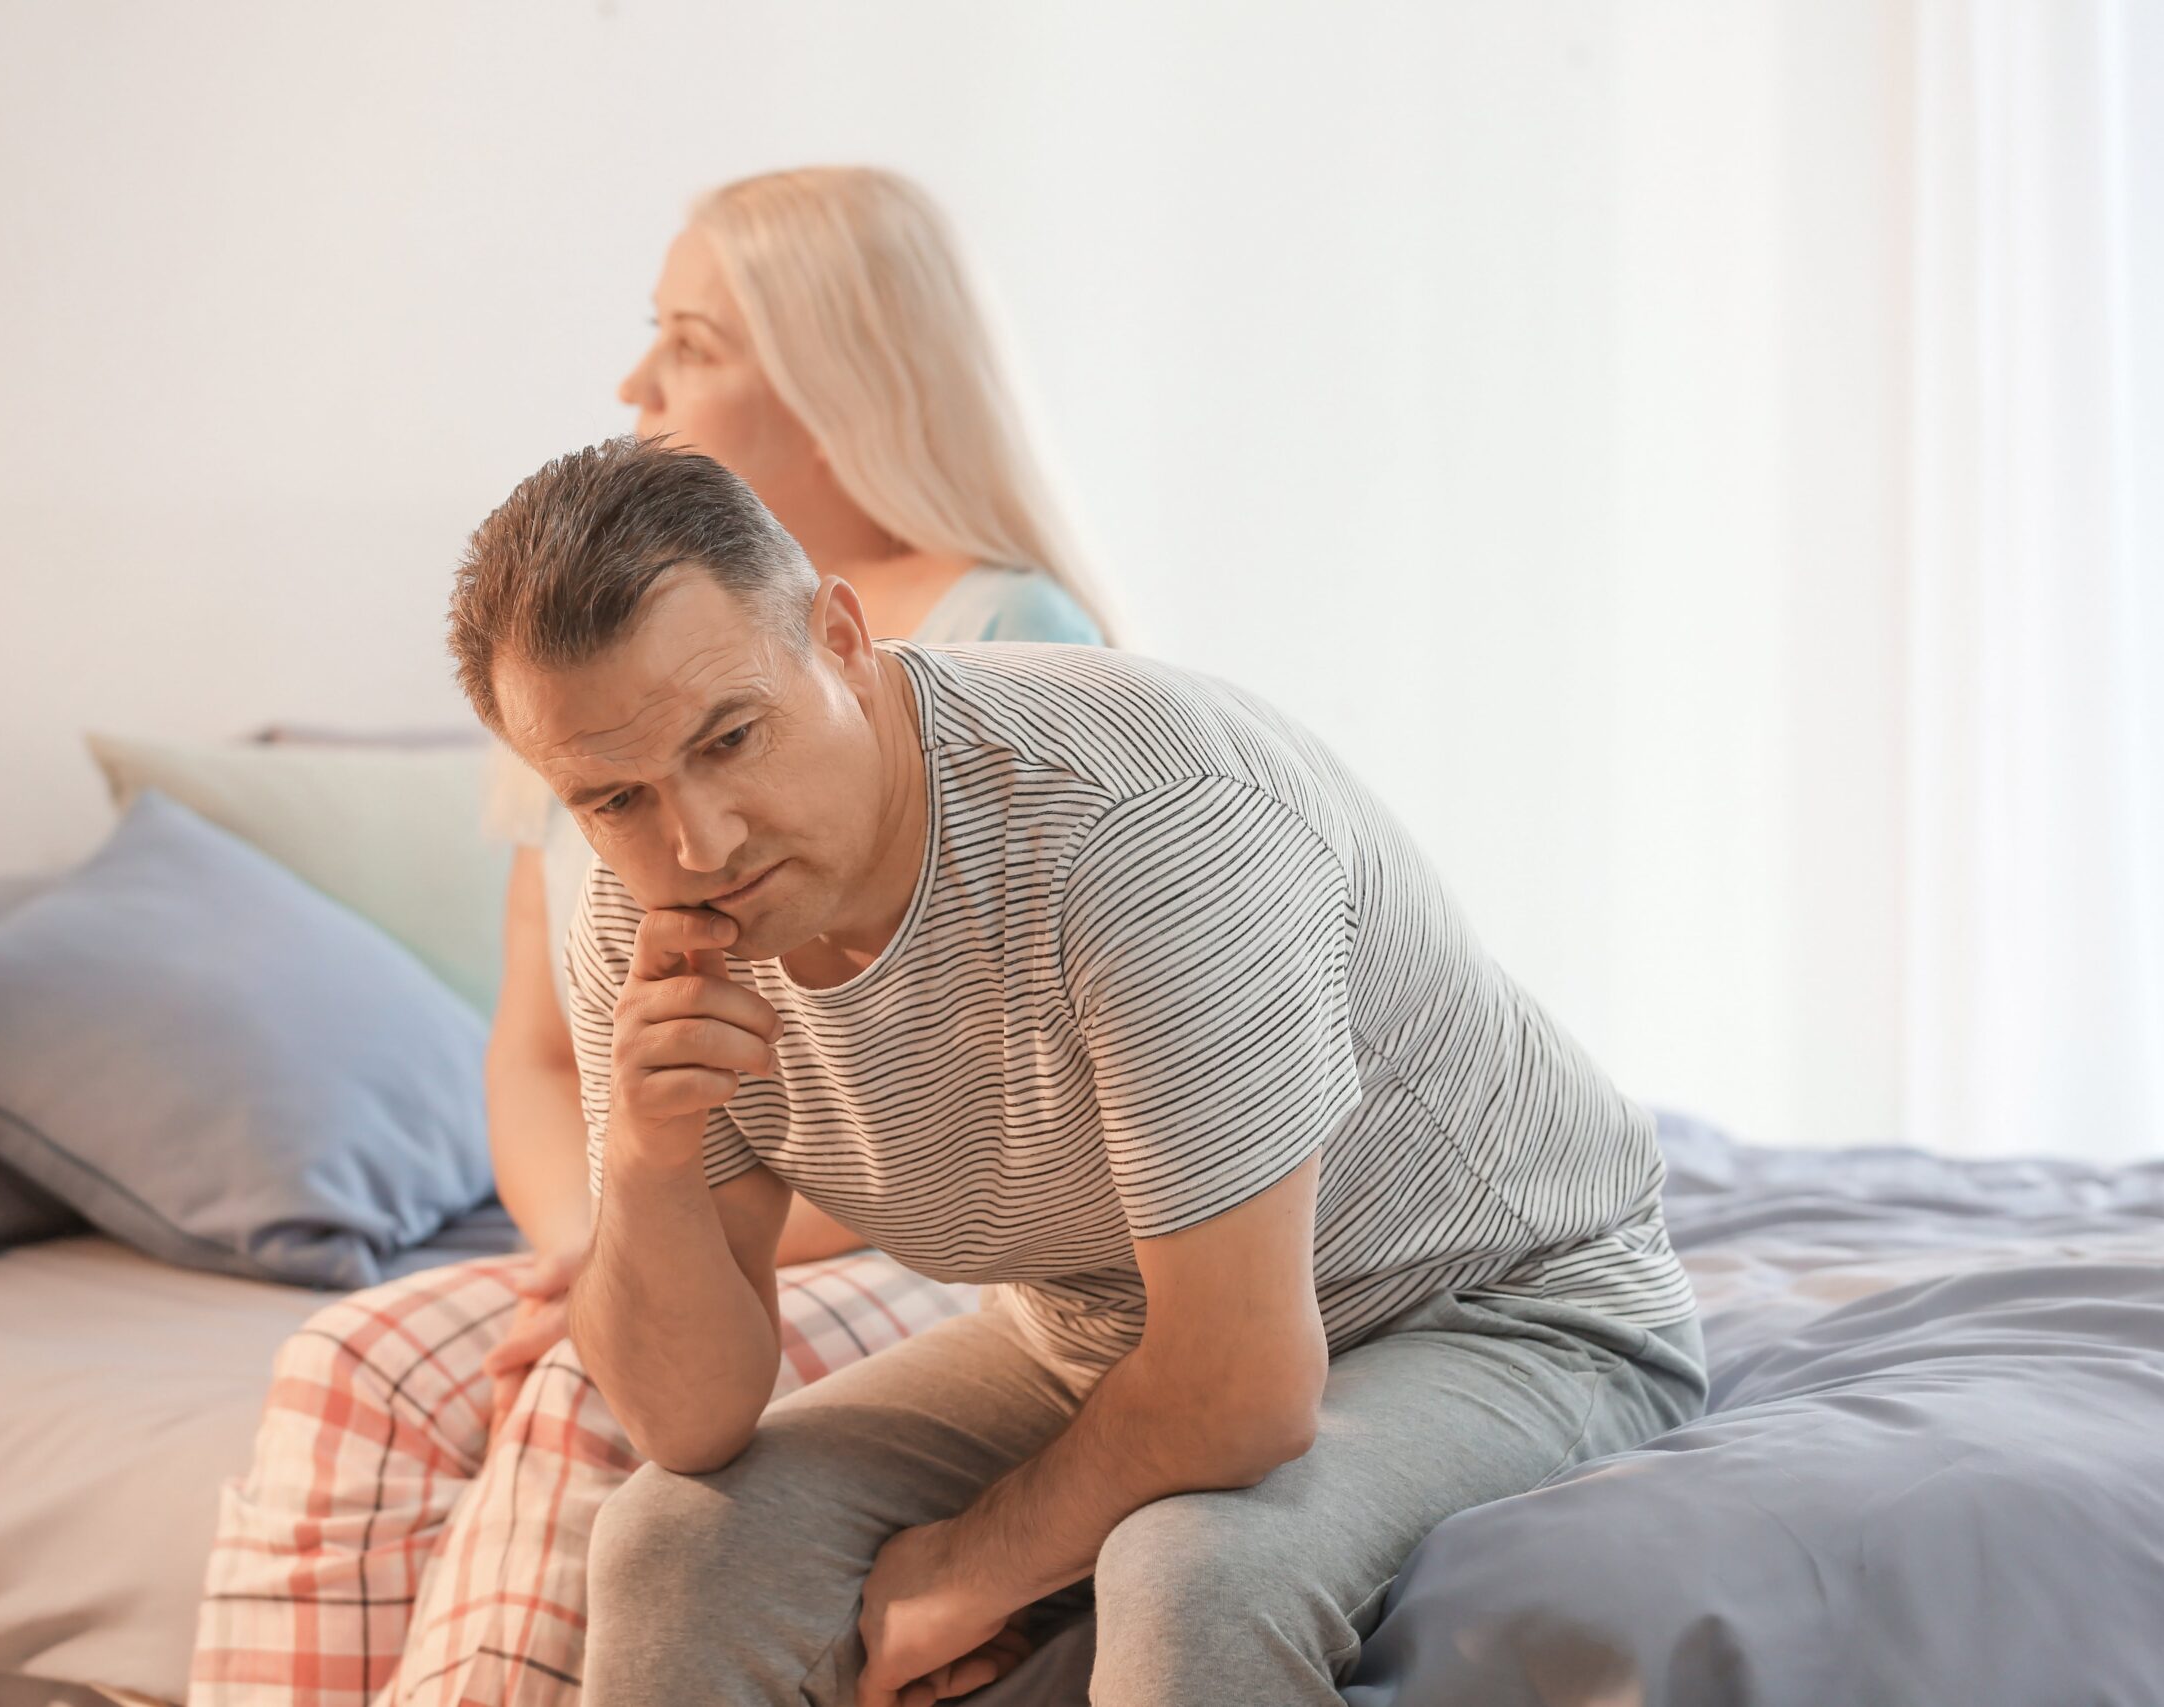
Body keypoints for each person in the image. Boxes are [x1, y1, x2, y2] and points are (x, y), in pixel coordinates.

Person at [448, 439, 1709, 1707]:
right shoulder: (639, 920)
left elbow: (1242, 1388)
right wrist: (658, 1164)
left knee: (1195, 1571)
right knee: (673, 1539)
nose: (697, 841)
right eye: (613, 800)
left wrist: (965, 1569)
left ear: (839, 639)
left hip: (1506, 1308)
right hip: (1101, 1329)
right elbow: (690, 1426)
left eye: (731, 739)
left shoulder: (1145, 826)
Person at [191, 166, 1115, 1707]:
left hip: (924, 1243)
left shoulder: (1006, 640)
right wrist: (605, 1242)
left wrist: (672, 1241)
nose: (636, 383)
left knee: (583, 1401)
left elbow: (1030, 1107)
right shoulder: (577, 669)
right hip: (648, 1221)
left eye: (688, 341)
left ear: (838, 378)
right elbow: (541, 1050)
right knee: (346, 1360)